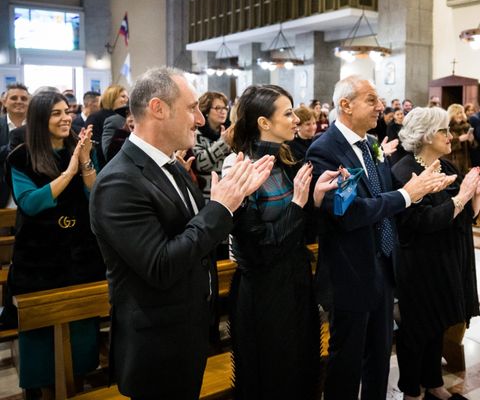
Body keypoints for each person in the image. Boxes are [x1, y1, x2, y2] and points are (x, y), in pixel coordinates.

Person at [90, 67, 273, 399]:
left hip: (187, 330)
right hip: (155, 344)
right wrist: (221, 207)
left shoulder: (172, 164)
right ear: (158, 109)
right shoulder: (119, 181)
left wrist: (236, 200)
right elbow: (161, 266)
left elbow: (197, 233)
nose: (201, 120)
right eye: (192, 108)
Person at [307, 75, 450, 400]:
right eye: (371, 100)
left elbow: (382, 197)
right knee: (346, 365)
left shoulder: (369, 145)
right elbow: (349, 213)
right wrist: (406, 195)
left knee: (379, 359)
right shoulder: (324, 150)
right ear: (346, 104)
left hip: (382, 269)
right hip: (349, 273)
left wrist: (424, 189)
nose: (381, 106)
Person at [228, 85, 338, 399]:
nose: (297, 119)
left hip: (296, 281)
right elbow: (257, 249)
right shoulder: (242, 168)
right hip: (264, 290)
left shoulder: (285, 161)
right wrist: (298, 204)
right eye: (287, 113)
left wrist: (314, 199)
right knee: (275, 376)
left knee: (303, 366)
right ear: (264, 122)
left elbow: (302, 232)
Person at [393, 107, 480, 400]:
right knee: (417, 329)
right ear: (427, 135)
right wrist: (463, 196)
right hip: (420, 263)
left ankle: (434, 381)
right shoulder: (404, 172)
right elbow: (420, 222)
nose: (450, 136)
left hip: (448, 257)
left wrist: (476, 194)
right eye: (444, 131)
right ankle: (411, 389)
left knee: (439, 323)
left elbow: (465, 217)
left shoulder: (447, 167)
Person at [6, 91, 105, 396]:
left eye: (68, 112)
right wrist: (69, 172)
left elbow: (96, 196)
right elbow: (31, 203)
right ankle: (45, 390)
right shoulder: (20, 155)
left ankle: (77, 384)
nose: (66, 118)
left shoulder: (84, 146)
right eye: (56, 114)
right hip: (39, 257)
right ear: (40, 119)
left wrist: (86, 161)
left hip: (80, 252)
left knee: (80, 336)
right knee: (42, 338)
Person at [193, 91, 232, 197]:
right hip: (206, 195)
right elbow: (201, 164)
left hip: (228, 193)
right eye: (218, 108)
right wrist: (223, 142)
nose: (223, 111)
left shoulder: (229, 132)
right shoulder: (197, 133)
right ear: (206, 111)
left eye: (225, 108)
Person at [0, 84, 30, 207]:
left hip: (31, 188)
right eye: (14, 98)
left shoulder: (38, 127)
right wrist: (15, 146)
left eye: (24, 99)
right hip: (3, 191)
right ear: (4, 102)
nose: (19, 102)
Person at [86, 85, 129, 169]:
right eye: (123, 96)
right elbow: (95, 147)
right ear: (111, 97)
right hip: (104, 165)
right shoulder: (96, 117)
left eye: (127, 97)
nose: (126, 99)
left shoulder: (126, 117)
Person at [445, 103, 475, 174]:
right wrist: (459, 140)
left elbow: (473, 147)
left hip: (465, 162)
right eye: (457, 113)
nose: (460, 115)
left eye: (461, 112)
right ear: (452, 114)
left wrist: (471, 141)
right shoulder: (446, 127)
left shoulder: (466, 126)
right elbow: (443, 145)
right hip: (451, 160)